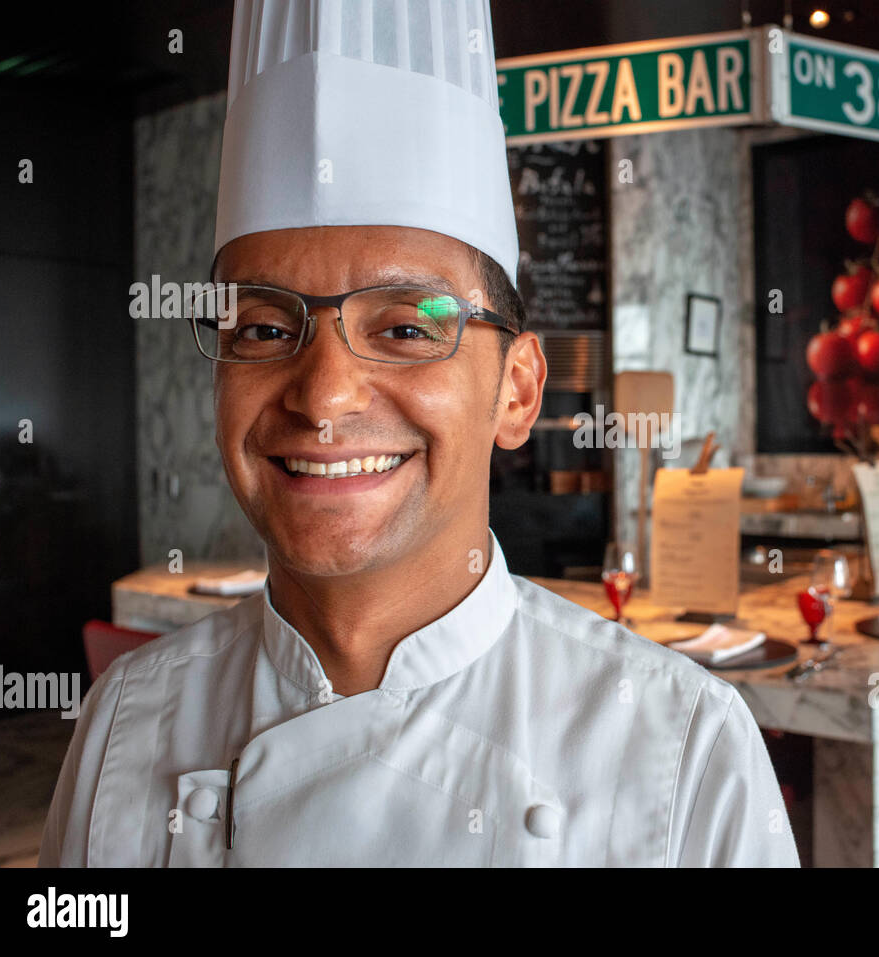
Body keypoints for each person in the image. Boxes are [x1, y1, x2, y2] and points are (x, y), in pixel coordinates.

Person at [39, 0, 797, 867]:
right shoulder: (121, 721)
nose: (323, 396)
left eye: (406, 327)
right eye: (262, 327)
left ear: (517, 390)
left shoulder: (687, 751)